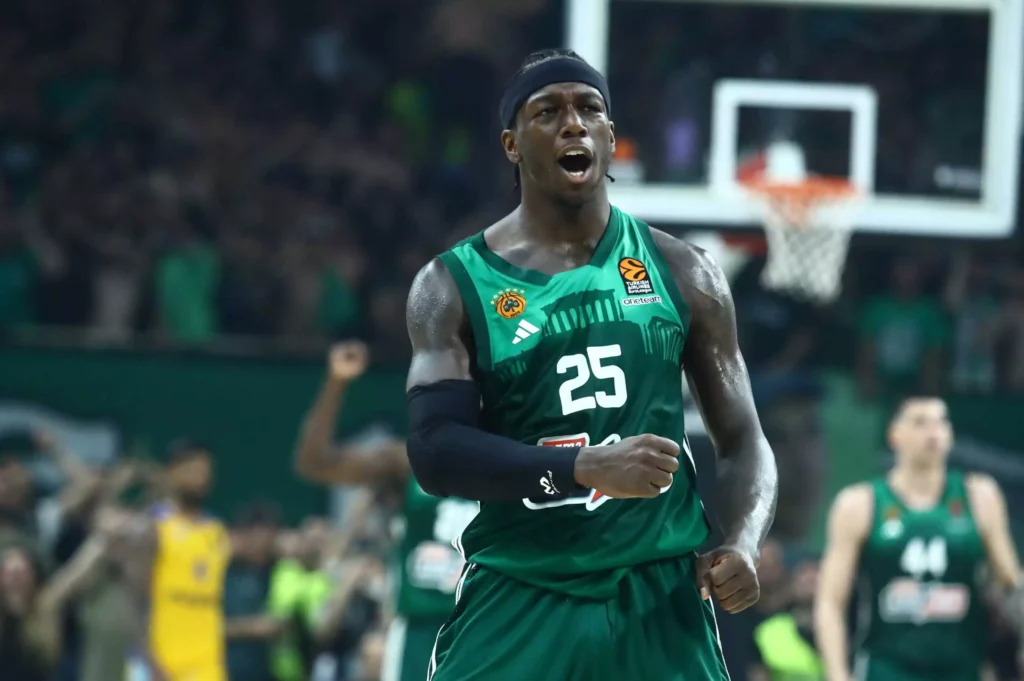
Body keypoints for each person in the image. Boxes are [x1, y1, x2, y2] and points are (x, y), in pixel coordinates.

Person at [404, 48, 778, 681]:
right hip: (522, 588)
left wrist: (742, 541)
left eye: (589, 109)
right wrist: (579, 468)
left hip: (658, 592)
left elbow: (744, 440)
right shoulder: (452, 285)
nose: (573, 123)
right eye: (548, 112)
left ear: (609, 135)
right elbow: (435, 452)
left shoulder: (684, 271)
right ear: (512, 144)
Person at [294, 341, 479, 681]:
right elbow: (315, 463)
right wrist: (336, 383)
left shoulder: (511, 453)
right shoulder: (406, 461)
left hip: (488, 623)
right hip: (421, 630)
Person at [815, 396, 1024, 681]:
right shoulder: (859, 503)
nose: (933, 432)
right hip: (886, 668)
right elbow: (830, 602)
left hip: (963, 668)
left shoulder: (980, 495)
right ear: (894, 435)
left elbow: (1010, 583)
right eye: (920, 422)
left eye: (941, 422)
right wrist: (837, 674)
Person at [111, 441, 231, 681]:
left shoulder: (216, 532)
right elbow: (131, 604)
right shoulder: (153, 527)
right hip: (160, 667)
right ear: (172, 473)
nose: (200, 478)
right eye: (192, 470)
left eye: (205, 471)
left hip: (207, 668)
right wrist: (150, 664)